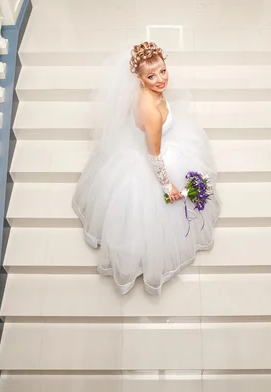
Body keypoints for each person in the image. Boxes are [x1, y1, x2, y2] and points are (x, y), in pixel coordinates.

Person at [73, 42, 220, 295]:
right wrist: (168, 186)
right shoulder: (151, 113)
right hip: (153, 157)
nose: (161, 79)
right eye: (151, 76)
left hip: (146, 142)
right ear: (139, 79)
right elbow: (155, 157)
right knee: (145, 218)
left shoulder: (142, 94)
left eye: (163, 71)